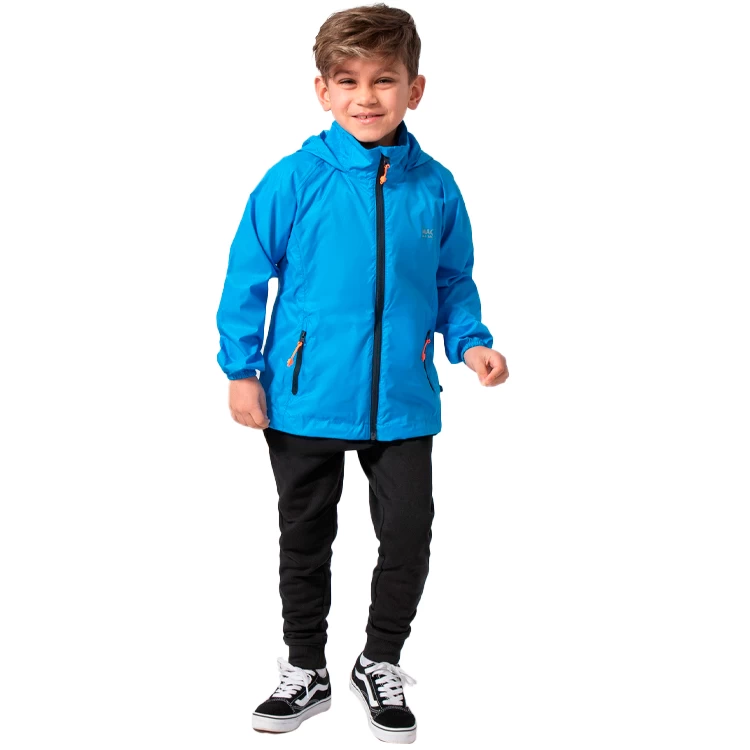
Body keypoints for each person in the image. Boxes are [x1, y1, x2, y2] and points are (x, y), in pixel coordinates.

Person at [215, 3, 509, 743]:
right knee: (304, 536)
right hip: (303, 394)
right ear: (322, 90)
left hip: (404, 397)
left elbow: (452, 280)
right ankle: (304, 666)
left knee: (408, 534)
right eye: (347, 81)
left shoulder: (435, 186)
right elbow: (247, 277)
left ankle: (381, 659)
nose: (366, 97)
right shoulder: (293, 180)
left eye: (384, 79)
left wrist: (470, 343)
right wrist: (242, 369)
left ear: (416, 89)